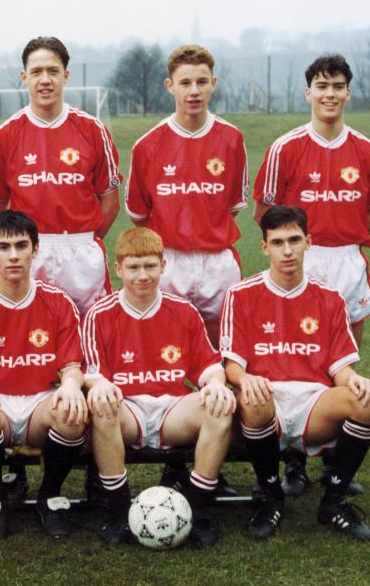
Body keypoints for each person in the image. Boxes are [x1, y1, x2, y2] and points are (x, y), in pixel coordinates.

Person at [252, 54, 370, 495]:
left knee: (344, 364)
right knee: (297, 359)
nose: (330, 94)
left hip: (347, 262)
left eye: (338, 86)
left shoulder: (368, 150)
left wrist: (340, 239)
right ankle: (292, 459)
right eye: (321, 85)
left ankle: (336, 462)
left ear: (348, 92)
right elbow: (265, 212)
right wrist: (302, 247)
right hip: (300, 261)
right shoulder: (285, 148)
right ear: (307, 91)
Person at [221, 205, 370, 541]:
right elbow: (232, 364)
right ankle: (270, 497)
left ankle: (333, 502)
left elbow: (341, 370)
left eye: (295, 240)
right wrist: (246, 378)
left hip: (314, 403)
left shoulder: (330, 299)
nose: (287, 250)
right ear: (264, 247)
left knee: (366, 402)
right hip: (267, 400)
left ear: (309, 241)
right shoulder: (241, 295)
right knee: (254, 401)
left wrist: (356, 381)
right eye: (278, 242)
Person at [82, 227, 235, 547]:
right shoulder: (100, 314)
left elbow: (208, 366)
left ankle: (197, 507)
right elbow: (93, 372)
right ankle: (118, 509)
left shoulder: (183, 311)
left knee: (219, 407)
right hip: (127, 410)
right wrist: (99, 385)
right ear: (119, 268)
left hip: (172, 411)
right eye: (134, 267)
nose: (142, 275)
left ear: (164, 265)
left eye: (150, 266)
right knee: (101, 404)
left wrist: (216, 383)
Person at [0, 210, 87, 540]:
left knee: (71, 413)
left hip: (39, 402)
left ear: (36, 249)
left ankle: (49, 496)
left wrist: (70, 385)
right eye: (4, 247)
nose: (13, 255)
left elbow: (72, 365)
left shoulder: (57, 302)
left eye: (22, 246)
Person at [124, 45, 247, 347]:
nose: (194, 91)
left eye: (202, 82)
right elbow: (139, 214)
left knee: (225, 348)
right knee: (165, 346)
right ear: (170, 86)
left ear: (213, 84)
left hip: (218, 261)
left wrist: (206, 230)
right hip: (168, 261)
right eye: (185, 83)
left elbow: (232, 206)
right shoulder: (147, 145)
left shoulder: (231, 139)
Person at [0, 36, 122, 316]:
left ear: (66, 75)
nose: (45, 79)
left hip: (82, 249)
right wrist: (21, 244)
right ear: (24, 77)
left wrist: (85, 239)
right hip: (31, 253)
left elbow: (110, 202)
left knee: (92, 333)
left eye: (53, 71)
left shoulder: (92, 129)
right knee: (33, 334)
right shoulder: (5, 135)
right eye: (37, 72)